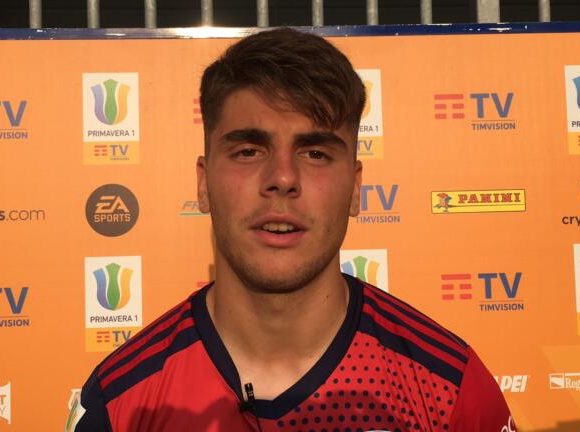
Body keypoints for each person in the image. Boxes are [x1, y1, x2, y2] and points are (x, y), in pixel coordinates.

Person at [68, 27, 514, 432]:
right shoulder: (122, 404)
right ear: (203, 184)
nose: (283, 177)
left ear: (356, 188)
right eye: (248, 150)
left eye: (315, 153)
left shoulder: (449, 391)